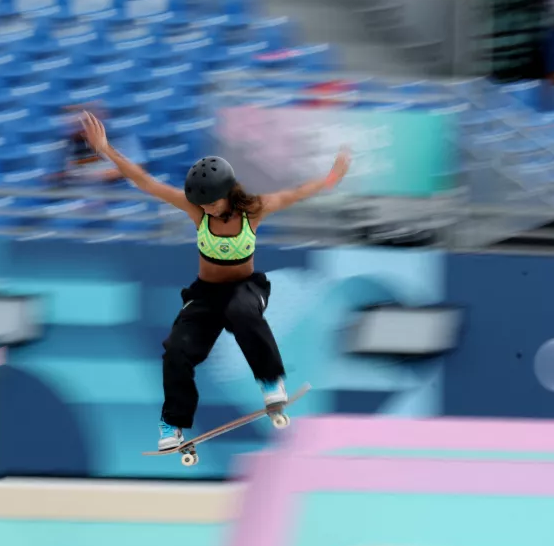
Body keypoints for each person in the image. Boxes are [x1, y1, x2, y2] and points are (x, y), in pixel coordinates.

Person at [79, 111, 351, 450]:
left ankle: (270, 382)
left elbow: (296, 193)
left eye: (209, 204)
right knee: (176, 351)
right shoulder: (195, 209)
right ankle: (173, 424)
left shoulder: (255, 209)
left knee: (243, 313)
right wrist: (106, 149)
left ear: (227, 195)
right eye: (200, 205)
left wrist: (330, 179)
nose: (203, 210)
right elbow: (147, 183)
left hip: (244, 288)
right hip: (206, 294)